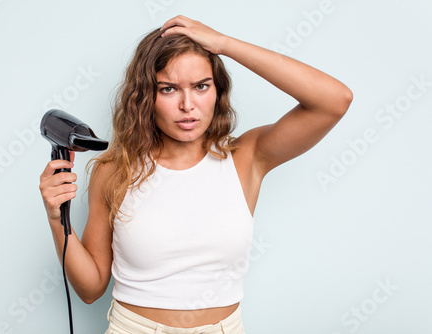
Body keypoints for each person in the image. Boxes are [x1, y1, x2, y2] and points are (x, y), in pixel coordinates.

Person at [39, 15, 352, 334]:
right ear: (146, 96)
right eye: (169, 89)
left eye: (201, 86)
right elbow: (90, 290)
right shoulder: (114, 171)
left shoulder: (246, 158)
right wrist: (55, 218)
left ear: (218, 91)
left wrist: (226, 45)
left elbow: (334, 101)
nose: (188, 105)